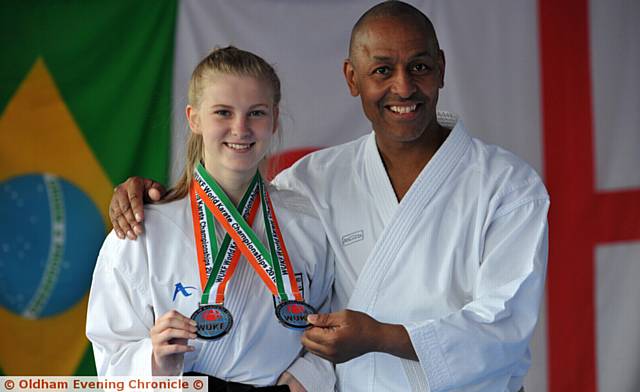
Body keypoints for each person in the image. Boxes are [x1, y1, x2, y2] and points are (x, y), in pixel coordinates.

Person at [109, 2, 549, 391]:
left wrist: (379, 337)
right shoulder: (316, 180)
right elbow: (231, 208)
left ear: (441, 68)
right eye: (381, 70)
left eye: (419, 66)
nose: (403, 87)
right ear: (352, 78)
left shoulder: (508, 186)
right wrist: (154, 196)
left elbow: (505, 326)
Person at [87, 46, 335, 392]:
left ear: (275, 119)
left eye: (256, 113)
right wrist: (154, 361)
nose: (240, 128)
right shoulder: (141, 233)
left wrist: (311, 375)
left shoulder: (308, 223)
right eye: (223, 112)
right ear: (194, 118)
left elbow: (335, 324)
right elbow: (110, 358)